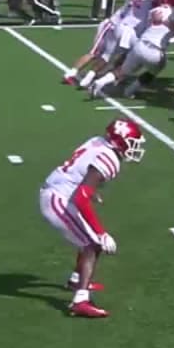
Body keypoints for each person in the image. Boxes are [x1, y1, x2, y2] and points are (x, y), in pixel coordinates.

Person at [39, 118, 146, 318]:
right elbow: (81, 199)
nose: (134, 148)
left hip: (59, 190)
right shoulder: (109, 158)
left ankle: (76, 279)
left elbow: (80, 172)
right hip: (58, 198)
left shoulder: (97, 141)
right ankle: (80, 300)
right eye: (131, 143)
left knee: (89, 240)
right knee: (92, 243)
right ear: (118, 141)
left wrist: (90, 191)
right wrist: (102, 233)